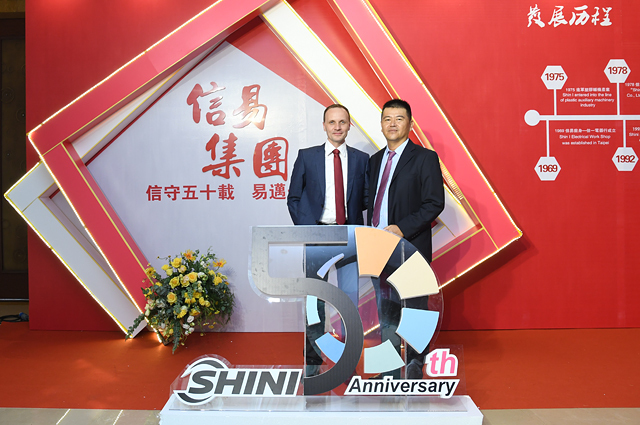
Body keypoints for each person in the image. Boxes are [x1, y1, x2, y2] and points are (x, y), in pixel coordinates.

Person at [287, 104, 369, 376]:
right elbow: (293, 197)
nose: (337, 127)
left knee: (349, 299)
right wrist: (307, 230)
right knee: (315, 300)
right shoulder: (307, 156)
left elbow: (366, 199)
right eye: (332, 122)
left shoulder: (361, 159)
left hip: (349, 235)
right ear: (324, 125)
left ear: (349, 125)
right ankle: (313, 360)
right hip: (317, 235)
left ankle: (348, 358)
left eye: (342, 122)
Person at [367, 98, 445, 379]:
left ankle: (415, 368)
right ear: (381, 124)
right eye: (387, 119)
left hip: (411, 246)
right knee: (386, 309)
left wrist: (401, 228)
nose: (392, 124)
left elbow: (434, 203)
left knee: (414, 309)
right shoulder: (375, 161)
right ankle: (389, 369)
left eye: (399, 119)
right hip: (377, 248)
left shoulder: (425, 158)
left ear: (410, 124)